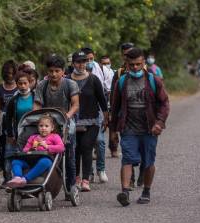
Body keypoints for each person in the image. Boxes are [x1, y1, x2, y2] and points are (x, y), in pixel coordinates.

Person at [110, 48, 169, 206]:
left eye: (138, 64)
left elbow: (164, 103)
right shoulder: (122, 81)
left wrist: (159, 123)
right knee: (127, 159)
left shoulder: (153, 80)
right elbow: (115, 108)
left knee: (148, 162)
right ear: (126, 64)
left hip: (149, 129)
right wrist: (113, 131)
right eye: (132, 65)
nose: (135, 67)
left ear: (144, 63)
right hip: (128, 128)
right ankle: (125, 192)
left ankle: (146, 191)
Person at [33, 54, 80, 199]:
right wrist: (35, 116)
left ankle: (71, 185)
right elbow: (37, 105)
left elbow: (75, 105)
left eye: (57, 71)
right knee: (41, 151)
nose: (53, 74)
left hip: (65, 121)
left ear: (63, 71)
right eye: (51, 71)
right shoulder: (42, 85)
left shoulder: (70, 84)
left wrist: (67, 116)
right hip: (47, 122)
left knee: (69, 156)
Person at [67, 51, 108, 191]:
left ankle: (85, 179)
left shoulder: (94, 79)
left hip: (92, 121)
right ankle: (76, 178)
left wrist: (106, 118)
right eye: (78, 62)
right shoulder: (67, 80)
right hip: (73, 121)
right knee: (75, 149)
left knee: (86, 146)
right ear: (73, 64)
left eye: (84, 61)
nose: (81, 64)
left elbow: (102, 100)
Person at [7, 115, 64, 188]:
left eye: (46, 126)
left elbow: (61, 147)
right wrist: (32, 149)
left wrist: (47, 146)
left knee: (45, 162)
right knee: (16, 161)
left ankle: (25, 179)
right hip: (31, 160)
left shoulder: (54, 136)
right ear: (38, 127)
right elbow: (25, 150)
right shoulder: (33, 137)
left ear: (52, 128)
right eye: (41, 126)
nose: (43, 128)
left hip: (46, 160)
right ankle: (17, 178)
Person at [4, 72, 35, 187]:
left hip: (36, 133)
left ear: (29, 83)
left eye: (25, 83)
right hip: (20, 134)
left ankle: (33, 179)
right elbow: (8, 118)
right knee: (21, 156)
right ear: (16, 84)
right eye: (20, 83)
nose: (22, 86)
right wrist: (10, 134)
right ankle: (18, 180)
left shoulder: (36, 97)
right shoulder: (14, 100)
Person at [0, 60, 18, 189]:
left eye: (12, 73)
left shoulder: (20, 86)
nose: (9, 76)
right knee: (2, 149)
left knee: (15, 148)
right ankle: (6, 176)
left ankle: (15, 175)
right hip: (3, 122)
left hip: (17, 120)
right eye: (7, 73)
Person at [109, 42, 134, 158]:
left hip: (137, 107)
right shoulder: (119, 72)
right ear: (122, 55)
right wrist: (111, 111)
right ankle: (114, 147)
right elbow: (113, 92)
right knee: (115, 128)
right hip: (122, 107)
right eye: (125, 54)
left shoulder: (144, 70)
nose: (128, 57)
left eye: (130, 53)